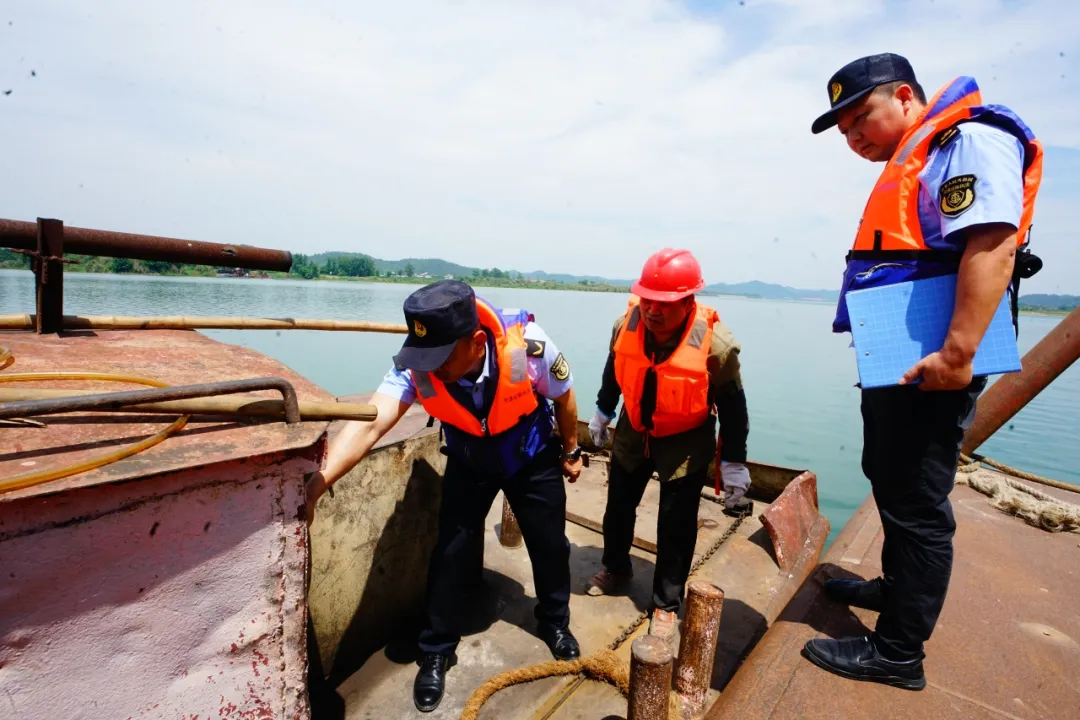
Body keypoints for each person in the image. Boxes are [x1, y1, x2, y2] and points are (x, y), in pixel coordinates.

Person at [803, 53, 1043, 690]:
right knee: (887, 476)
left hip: (935, 362)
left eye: (861, 117)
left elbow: (992, 241)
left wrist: (958, 354)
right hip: (901, 359)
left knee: (916, 501)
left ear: (906, 97)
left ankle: (898, 653)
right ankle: (894, 587)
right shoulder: (923, 153)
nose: (854, 137)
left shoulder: (967, 141)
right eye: (845, 130)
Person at [304, 280, 584, 713]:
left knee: (549, 545)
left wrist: (570, 451)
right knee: (451, 552)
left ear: (477, 343)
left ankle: (554, 622)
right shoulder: (417, 365)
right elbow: (370, 424)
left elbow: (565, 399)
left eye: (439, 359)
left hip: (529, 455)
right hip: (471, 458)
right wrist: (317, 485)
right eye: (423, 358)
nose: (429, 370)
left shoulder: (529, 346)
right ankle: (436, 648)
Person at [584, 248, 752, 642]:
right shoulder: (624, 326)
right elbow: (614, 369)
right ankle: (616, 567)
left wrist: (733, 463)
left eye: (664, 303)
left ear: (688, 301)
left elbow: (734, 406)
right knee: (618, 506)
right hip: (634, 427)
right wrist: (603, 410)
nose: (652, 310)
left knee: (676, 522)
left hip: (685, 437)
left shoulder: (717, 346)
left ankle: (666, 603)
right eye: (647, 299)